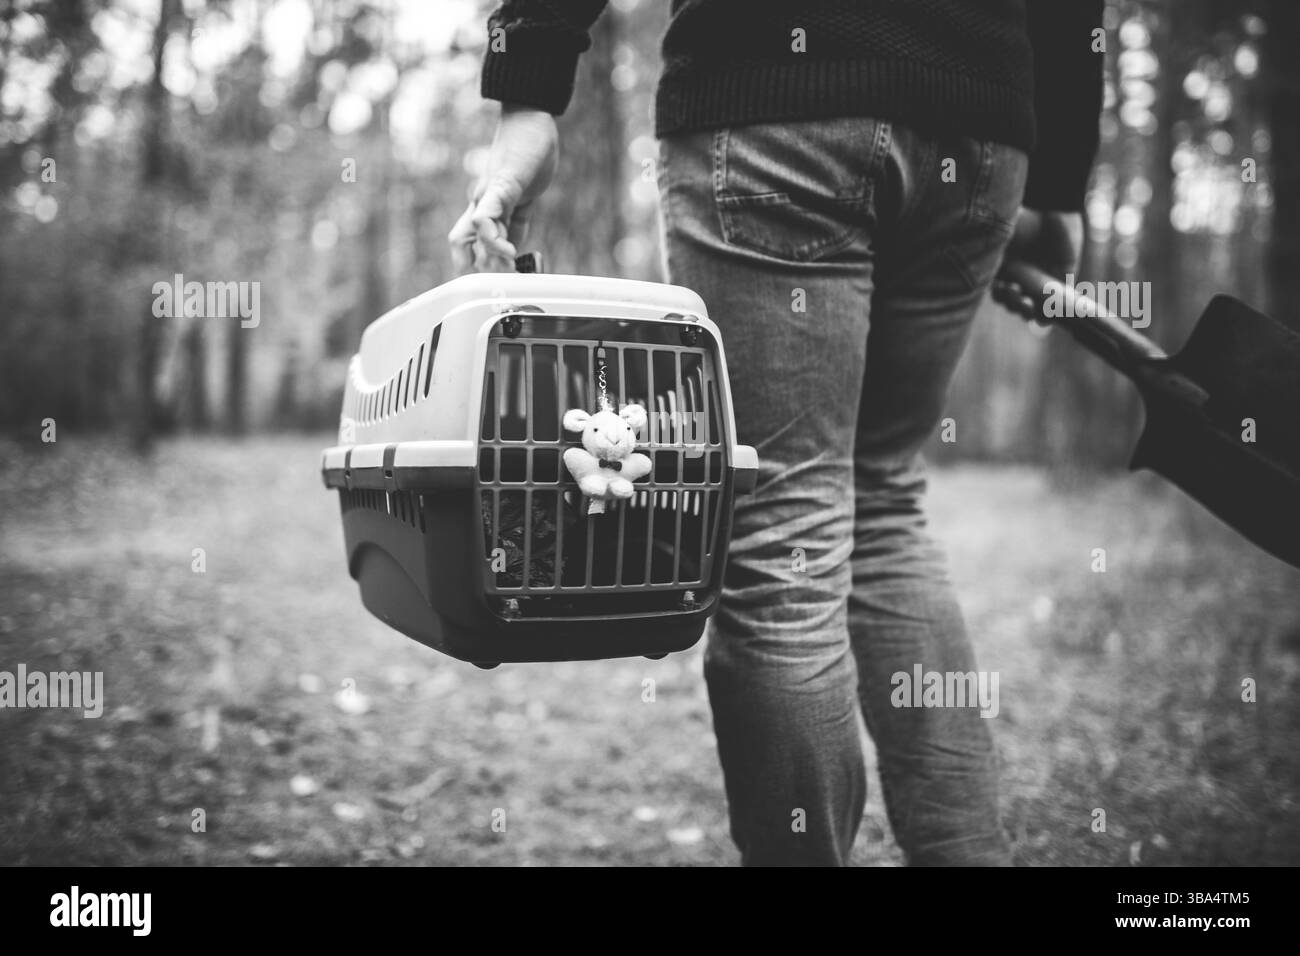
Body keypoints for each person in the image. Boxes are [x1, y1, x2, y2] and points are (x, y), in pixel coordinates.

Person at [450, 0, 1104, 866]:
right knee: (884, 500)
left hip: (771, 91)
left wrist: (529, 92)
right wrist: (1057, 182)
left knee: (784, 515)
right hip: (978, 124)